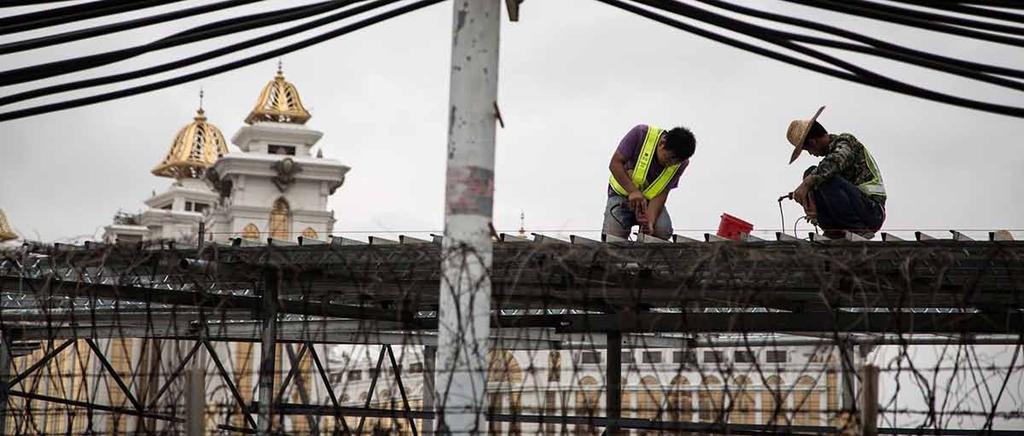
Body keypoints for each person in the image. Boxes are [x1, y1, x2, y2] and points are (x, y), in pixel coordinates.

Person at [786, 106, 886, 239]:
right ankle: (832, 229)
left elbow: (835, 162)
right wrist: (811, 202)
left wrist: (806, 184)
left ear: (813, 142)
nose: (811, 153)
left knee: (820, 176)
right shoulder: (826, 163)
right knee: (811, 173)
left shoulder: (846, 141)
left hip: (872, 212)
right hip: (857, 208)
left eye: (808, 150)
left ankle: (856, 228)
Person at [604, 124, 696, 240]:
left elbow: (662, 193)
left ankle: (644, 253)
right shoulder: (641, 134)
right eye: (669, 158)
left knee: (662, 230)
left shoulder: (681, 163)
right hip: (621, 195)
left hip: (648, 202)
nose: (671, 164)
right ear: (662, 143)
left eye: (676, 162)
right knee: (613, 237)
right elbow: (615, 163)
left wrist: (650, 221)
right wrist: (633, 191)